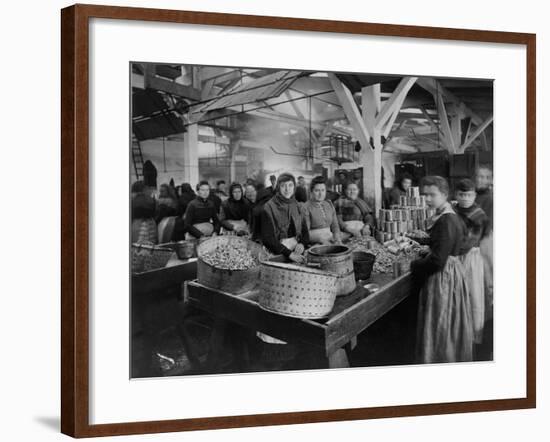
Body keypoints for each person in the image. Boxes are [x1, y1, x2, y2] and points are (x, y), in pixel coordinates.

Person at [410, 176, 474, 363]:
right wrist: (431, 246)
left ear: (445, 194)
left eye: (432, 195)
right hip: (453, 270)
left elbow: (437, 262)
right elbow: (454, 244)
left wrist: (415, 265)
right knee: (449, 324)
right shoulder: (450, 214)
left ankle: (439, 360)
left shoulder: (446, 220)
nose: (428, 199)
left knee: (440, 323)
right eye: (425, 195)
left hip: (443, 277)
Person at [453, 178, 490, 349]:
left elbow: (470, 241)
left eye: (468, 194)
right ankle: (457, 332)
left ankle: (472, 336)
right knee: (456, 294)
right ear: (456, 195)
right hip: (454, 256)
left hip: (471, 257)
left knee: (472, 294)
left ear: (474, 195)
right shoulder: (453, 210)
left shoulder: (478, 215)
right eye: (461, 194)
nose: (465, 198)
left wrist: (449, 248)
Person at [260, 173, 309, 264]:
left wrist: (302, 244)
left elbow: (305, 231)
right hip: (276, 252)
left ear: (294, 187)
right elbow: (268, 239)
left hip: (296, 249)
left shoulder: (298, 206)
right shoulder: (269, 207)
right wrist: (290, 254)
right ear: (278, 187)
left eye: (290, 185)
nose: (287, 189)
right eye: (283, 186)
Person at [474, 164, 494, 359]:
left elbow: (483, 228)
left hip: (484, 245)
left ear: (490, 180)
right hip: (478, 244)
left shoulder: (490, 199)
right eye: (478, 176)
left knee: (487, 288)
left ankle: (485, 344)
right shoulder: (477, 196)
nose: (480, 180)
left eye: (484, 177)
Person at [303, 176, 342, 245]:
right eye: (317, 190)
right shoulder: (306, 207)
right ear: (311, 192)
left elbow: (335, 225)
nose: (321, 194)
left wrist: (337, 238)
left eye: (323, 190)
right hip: (313, 243)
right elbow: (305, 233)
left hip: (330, 240)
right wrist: (320, 240)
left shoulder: (329, 204)